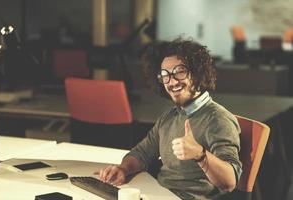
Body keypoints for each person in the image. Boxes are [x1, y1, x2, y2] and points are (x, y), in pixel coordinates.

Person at [99, 38, 242, 200]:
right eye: (165, 75)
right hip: (157, 194)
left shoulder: (218, 119)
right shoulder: (169, 116)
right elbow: (142, 153)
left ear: (197, 73)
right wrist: (123, 169)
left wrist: (200, 155)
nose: (172, 81)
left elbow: (229, 182)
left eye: (179, 72)